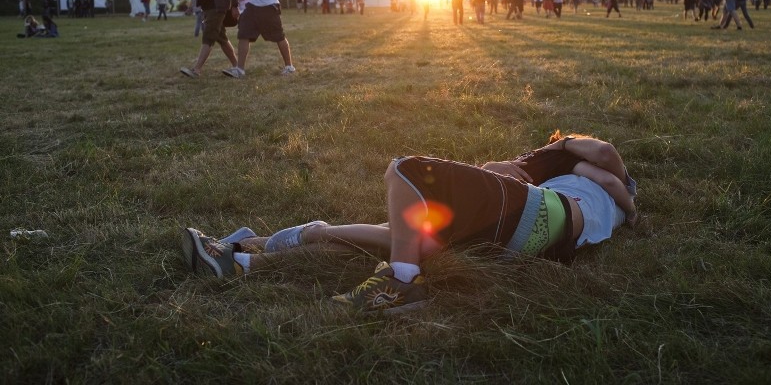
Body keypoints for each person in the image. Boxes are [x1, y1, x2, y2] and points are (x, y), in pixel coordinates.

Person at [182, 130, 638, 314]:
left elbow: (602, 159)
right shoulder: (596, 211)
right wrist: (504, 169)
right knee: (398, 236)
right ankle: (245, 259)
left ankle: (401, 281)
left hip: (543, 217)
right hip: (527, 240)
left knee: (407, 169)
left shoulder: (589, 182)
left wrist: (562, 145)